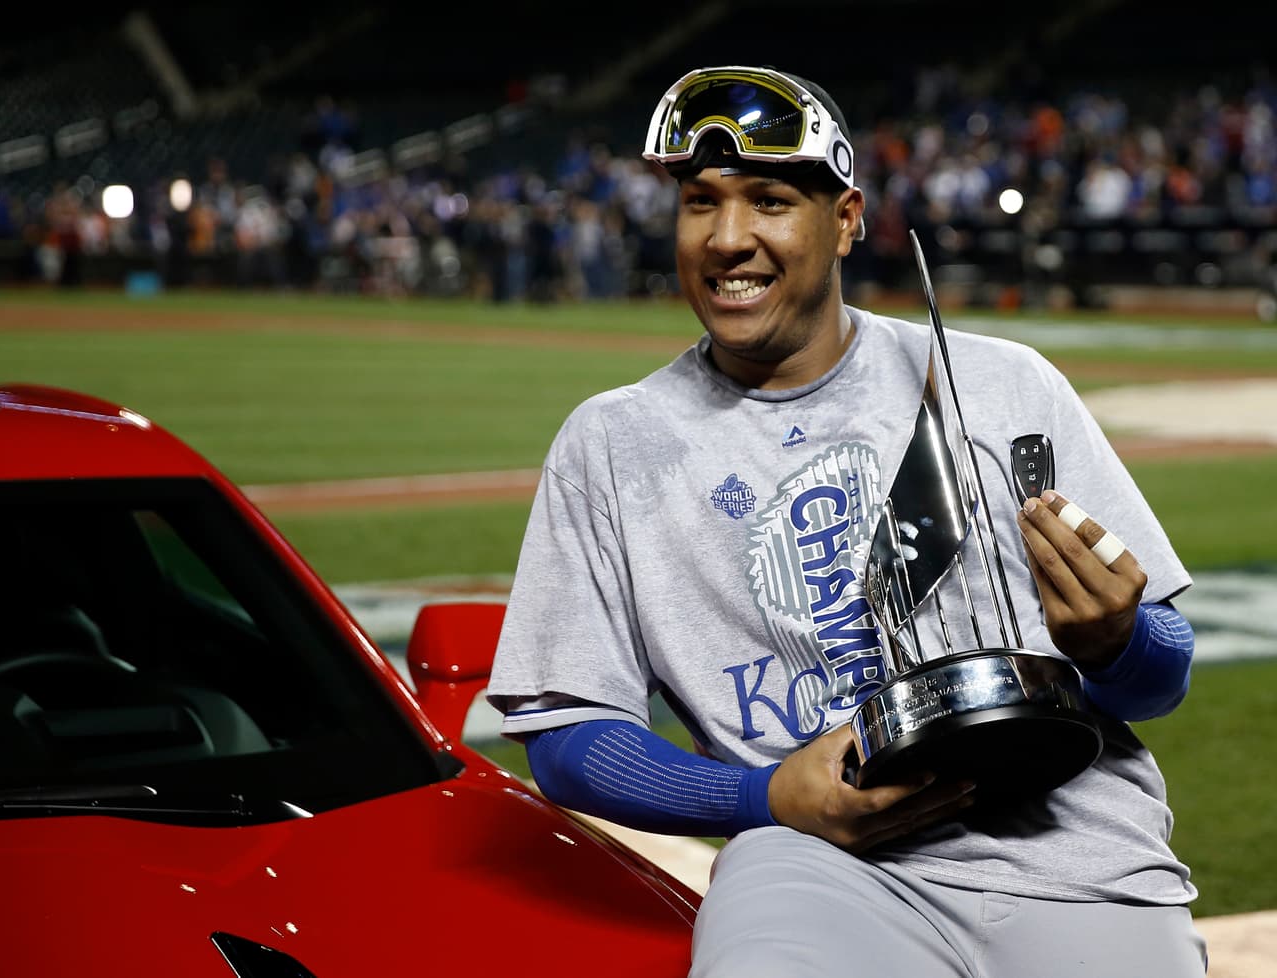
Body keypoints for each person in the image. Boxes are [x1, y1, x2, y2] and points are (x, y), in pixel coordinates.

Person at [487, 65, 1205, 977]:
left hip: (1074, 850)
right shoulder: (613, 442)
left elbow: (1160, 676)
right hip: (817, 863)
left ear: (848, 219)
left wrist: (1117, 643)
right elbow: (568, 736)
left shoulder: (1003, 383)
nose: (728, 238)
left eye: (772, 200)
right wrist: (762, 796)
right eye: (700, 202)